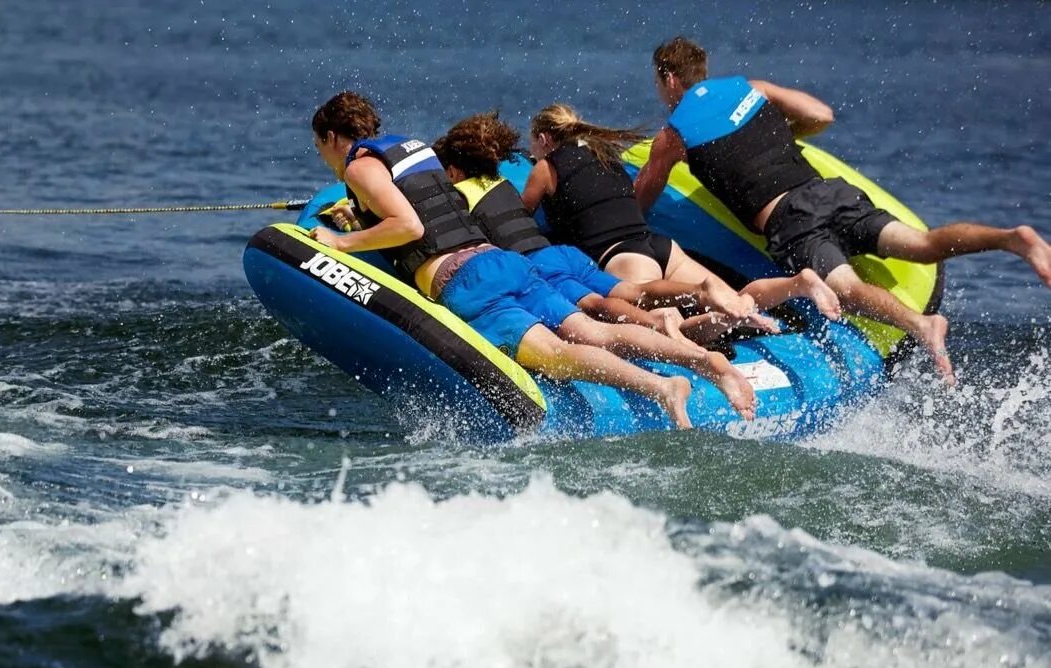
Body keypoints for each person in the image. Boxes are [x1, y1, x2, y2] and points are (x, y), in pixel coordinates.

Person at [637, 37, 1051, 385]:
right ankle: (1012, 239)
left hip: (791, 220)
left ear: (669, 79)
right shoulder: (752, 88)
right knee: (921, 244)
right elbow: (821, 115)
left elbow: (644, 197)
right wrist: (777, 133)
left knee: (845, 291)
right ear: (702, 69)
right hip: (827, 190)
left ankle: (921, 325)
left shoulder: (672, 136)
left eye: (658, 83)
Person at [307, 91, 729, 428]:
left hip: (466, 279)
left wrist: (340, 242)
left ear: (331, 137)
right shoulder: (415, 149)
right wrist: (357, 217)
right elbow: (428, 209)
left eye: (318, 146)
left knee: (557, 355)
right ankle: (701, 360)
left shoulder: (358, 168)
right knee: (595, 333)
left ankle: (660, 387)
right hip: (502, 261)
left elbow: (411, 227)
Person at [524, 104, 842, 330]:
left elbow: (522, 214)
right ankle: (798, 283)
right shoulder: (607, 156)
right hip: (659, 245)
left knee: (661, 328)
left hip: (622, 257)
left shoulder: (545, 167)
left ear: (543, 139)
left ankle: (726, 320)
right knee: (735, 298)